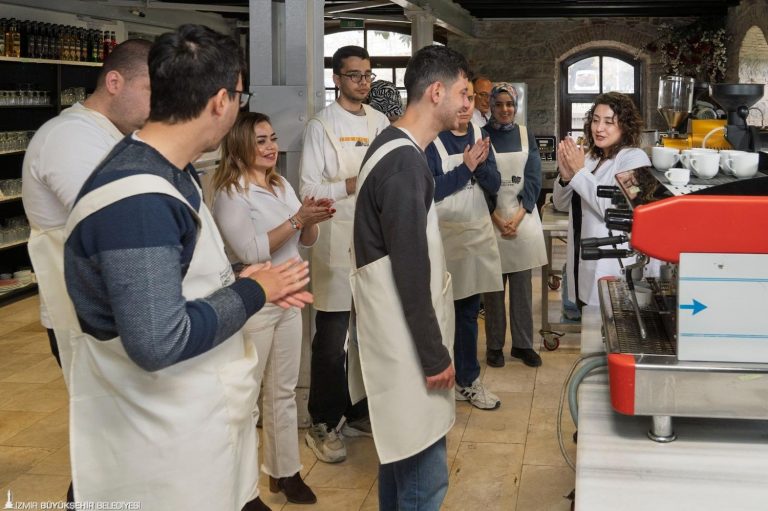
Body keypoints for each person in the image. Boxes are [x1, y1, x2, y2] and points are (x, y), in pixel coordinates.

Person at [61, 25, 312, 511]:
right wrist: (251, 292)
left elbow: (179, 280)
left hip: (192, 426)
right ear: (221, 101)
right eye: (242, 96)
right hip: (158, 447)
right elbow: (158, 340)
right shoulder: (138, 200)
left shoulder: (170, 172)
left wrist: (244, 281)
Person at [350, 44, 470, 511]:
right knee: (423, 479)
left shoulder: (395, 147)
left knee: (400, 459)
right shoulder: (404, 164)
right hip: (407, 346)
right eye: (462, 92)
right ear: (436, 91)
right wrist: (435, 354)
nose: (467, 104)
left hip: (398, 339)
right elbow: (409, 268)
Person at [212, 112, 334, 505]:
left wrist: (312, 218)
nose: (270, 147)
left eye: (273, 138)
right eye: (260, 140)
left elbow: (306, 239)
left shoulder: (281, 184)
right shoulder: (231, 193)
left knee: (283, 392)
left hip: (291, 295)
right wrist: (298, 218)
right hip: (256, 302)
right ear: (240, 145)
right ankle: (244, 490)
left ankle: (285, 472)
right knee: (248, 399)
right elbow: (250, 250)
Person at [23, 38, 152, 368]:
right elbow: (112, 220)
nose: (159, 104)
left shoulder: (116, 134)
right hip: (81, 314)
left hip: (112, 307)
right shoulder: (69, 135)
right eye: (151, 90)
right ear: (114, 82)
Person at [299, 45, 389, 463]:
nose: (363, 83)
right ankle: (323, 418)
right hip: (336, 244)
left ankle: (357, 410)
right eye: (355, 75)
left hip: (373, 242)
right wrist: (349, 186)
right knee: (332, 339)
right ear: (336, 78)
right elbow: (307, 191)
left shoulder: (380, 121)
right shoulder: (322, 126)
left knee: (368, 333)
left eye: (368, 75)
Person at [425, 78, 503, 410]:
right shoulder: (431, 142)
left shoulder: (481, 136)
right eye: (462, 97)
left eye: (471, 98)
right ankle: (439, 378)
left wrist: (482, 167)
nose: (467, 104)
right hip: (444, 237)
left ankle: (468, 381)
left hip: (476, 233)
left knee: (470, 312)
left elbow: (496, 185)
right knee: (443, 313)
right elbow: (429, 191)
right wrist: (466, 167)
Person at [553, 92, 651, 307]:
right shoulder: (590, 158)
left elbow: (615, 208)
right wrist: (565, 177)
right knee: (588, 319)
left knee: (608, 321)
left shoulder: (633, 159)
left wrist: (578, 172)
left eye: (608, 122)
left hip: (610, 260)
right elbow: (561, 205)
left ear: (624, 126)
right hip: (582, 252)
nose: (599, 128)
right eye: (595, 120)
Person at [482, 83, 548, 369]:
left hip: (522, 219)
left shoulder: (526, 134)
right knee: (493, 291)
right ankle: (495, 346)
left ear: (516, 106)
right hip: (492, 220)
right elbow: (480, 180)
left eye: (510, 104)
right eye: (499, 104)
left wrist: (519, 215)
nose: (505, 109)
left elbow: (533, 177)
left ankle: (523, 345)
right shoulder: (481, 136)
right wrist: (496, 217)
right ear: (491, 106)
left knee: (522, 290)